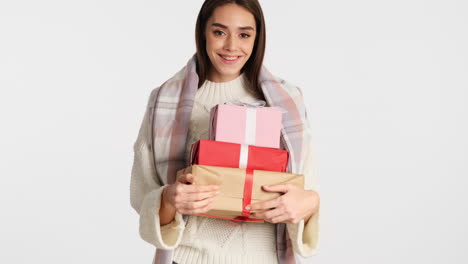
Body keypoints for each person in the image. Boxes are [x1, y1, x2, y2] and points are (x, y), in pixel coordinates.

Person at [130, 0, 320, 263]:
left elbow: (308, 188)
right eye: (219, 32)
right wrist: (170, 198)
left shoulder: (288, 100)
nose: (232, 46)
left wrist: (309, 202)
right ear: (202, 33)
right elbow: (143, 195)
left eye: (244, 34)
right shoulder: (164, 100)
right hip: (188, 258)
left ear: (257, 38)